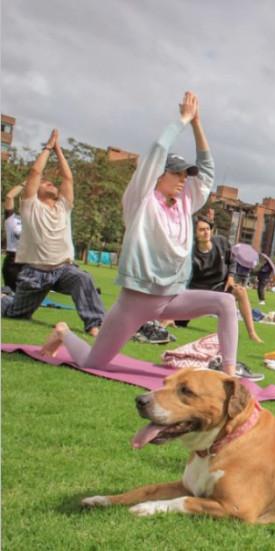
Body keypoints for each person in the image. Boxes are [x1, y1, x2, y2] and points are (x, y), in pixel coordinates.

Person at [38, 92, 243, 376]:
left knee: (226, 301)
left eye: (186, 176)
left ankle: (229, 374)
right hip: (135, 302)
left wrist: (198, 124)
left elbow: (206, 170)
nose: (184, 181)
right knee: (92, 364)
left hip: (171, 299)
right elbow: (158, 149)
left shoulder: (185, 205)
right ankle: (63, 333)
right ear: (160, 174)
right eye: (178, 174)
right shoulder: (140, 201)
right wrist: (182, 119)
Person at [2, 129, 106, 335]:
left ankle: (95, 325)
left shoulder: (63, 207)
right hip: (34, 273)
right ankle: (3, 297)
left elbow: (68, 178)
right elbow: (34, 173)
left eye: (52, 183)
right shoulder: (30, 207)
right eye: (46, 183)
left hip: (62, 269)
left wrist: (59, 150)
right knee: (16, 312)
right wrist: (48, 147)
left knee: (82, 278)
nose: (51, 183)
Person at [167, 217, 262, 343]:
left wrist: (231, 276)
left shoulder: (221, 242)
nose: (206, 232)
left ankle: (252, 333)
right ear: (194, 233)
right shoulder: (190, 252)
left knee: (240, 291)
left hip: (220, 287)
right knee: (178, 323)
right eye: (201, 230)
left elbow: (232, 261)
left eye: (208, 229)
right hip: (197, 293)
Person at [3, 183, 25, 288]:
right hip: (13, 262)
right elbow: (9, 196)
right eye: (22, 201)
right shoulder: (12, 219)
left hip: (31, 262)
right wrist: (26, 183)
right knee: (12, 296)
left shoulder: (37, 220)